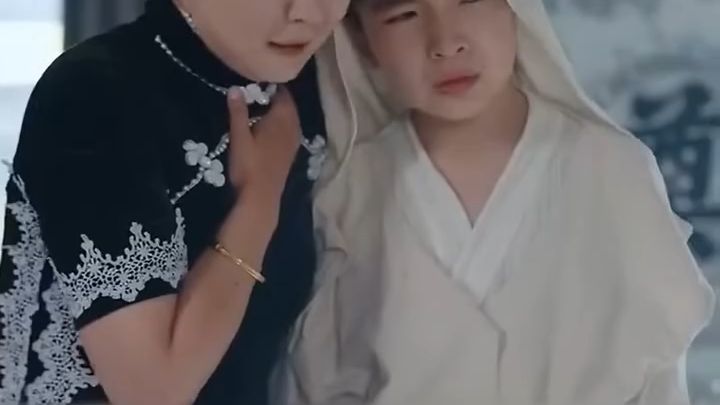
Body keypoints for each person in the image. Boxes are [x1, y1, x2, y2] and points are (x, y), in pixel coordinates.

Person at [280, 0, 716, 403]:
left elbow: (659, 372)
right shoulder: (348, 190)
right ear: (362, 39)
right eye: (403, 15)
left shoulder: (609, 166)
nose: (445, 43)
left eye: (470, 0)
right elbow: (311, 379)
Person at [0, 0, 349, 403]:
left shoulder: (309, 81)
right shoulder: (96, 93)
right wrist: (260, 198)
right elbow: (152, 391)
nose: (309, 12)